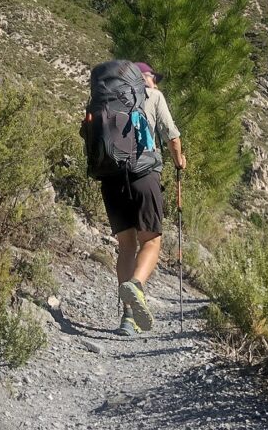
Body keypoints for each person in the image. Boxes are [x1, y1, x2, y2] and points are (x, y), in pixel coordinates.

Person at [101, 61, 186, 336]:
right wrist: (179, 161)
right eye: (152, 76)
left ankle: (128, 318)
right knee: (151, 241)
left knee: (126, 245)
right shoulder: (154, 96)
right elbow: (172, 136)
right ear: (144, 78)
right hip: (143, 174)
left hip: (112, 178)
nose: (155, 82)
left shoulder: (107, 98)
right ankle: (136, 285)